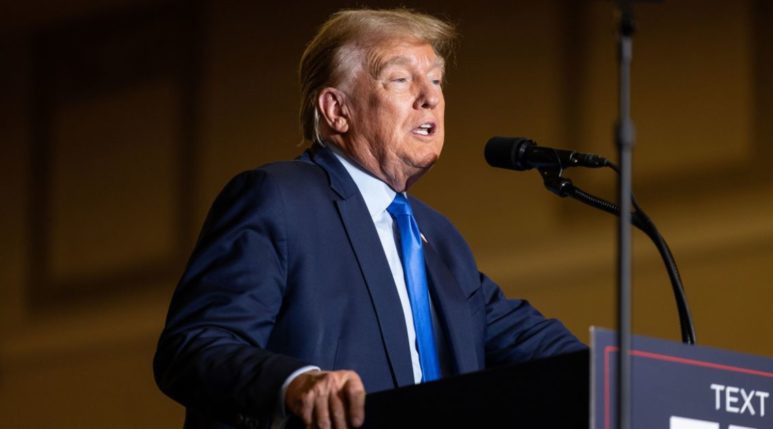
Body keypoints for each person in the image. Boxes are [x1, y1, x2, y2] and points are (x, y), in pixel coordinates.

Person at [154, 8, 585, 429]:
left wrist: (624, 376)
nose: (430, 96)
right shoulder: (278, 199)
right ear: (337, 110)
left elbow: (533, 343)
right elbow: (194, 347)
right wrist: (296, 383)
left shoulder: (438, 238)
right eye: (401, 79)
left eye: (436, 80)